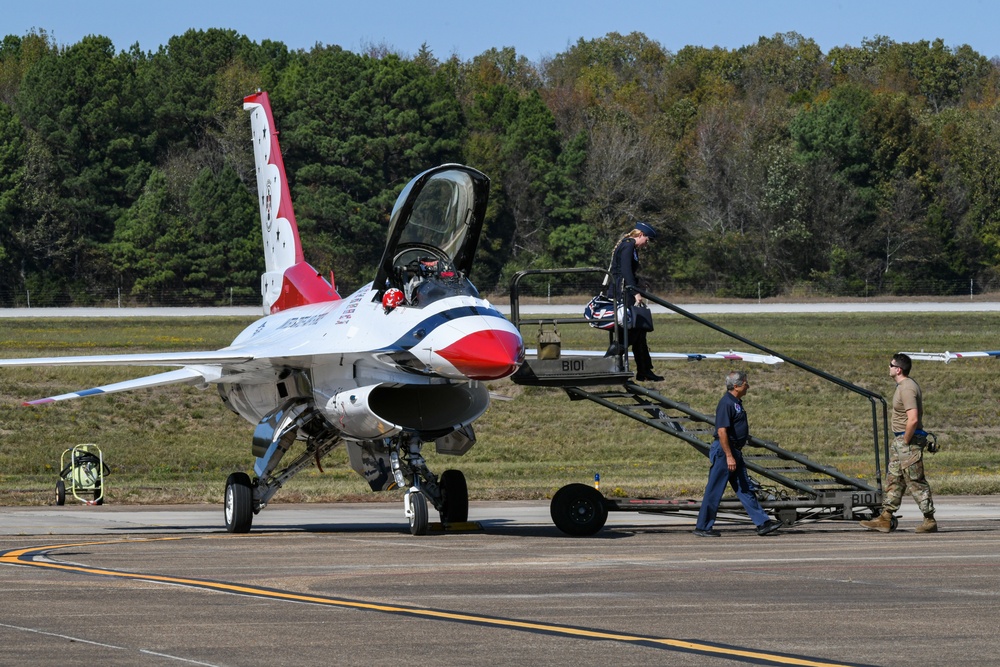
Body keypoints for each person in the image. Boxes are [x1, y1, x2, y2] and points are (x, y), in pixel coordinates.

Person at [693, 371, 782, 537]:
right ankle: (703, 527)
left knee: (744, 487)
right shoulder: (726, 403)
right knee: (714, 489)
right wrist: (728, 455)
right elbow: (721, 431)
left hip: (734, 451)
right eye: (745, 383)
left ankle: (763, 523)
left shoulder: (736, 402)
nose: (748, 385)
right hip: (725, 451)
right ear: (736, 386)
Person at [859, 353, 937, 533]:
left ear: (898, 369)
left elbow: (913, 419)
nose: (889, 367)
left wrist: (906, 441)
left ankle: (929, 519)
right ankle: (885, 518)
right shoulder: (902, 386)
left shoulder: (907, 388)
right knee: (894, 479)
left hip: (908, 440)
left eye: (890, 365)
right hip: (901, 440)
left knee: (915, 481)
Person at [608, 221, 662, 381]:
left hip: (627, 290)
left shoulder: (629, 245)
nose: (647, 244)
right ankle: (612, 357)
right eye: (647, 239)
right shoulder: (628, 245)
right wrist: (635, 292)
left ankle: (644, 369)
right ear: (640, 235)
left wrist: (638, 282)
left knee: (640, 330)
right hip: (623, 293)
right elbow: (624, 271)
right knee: (635, 330)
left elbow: (627, 271)